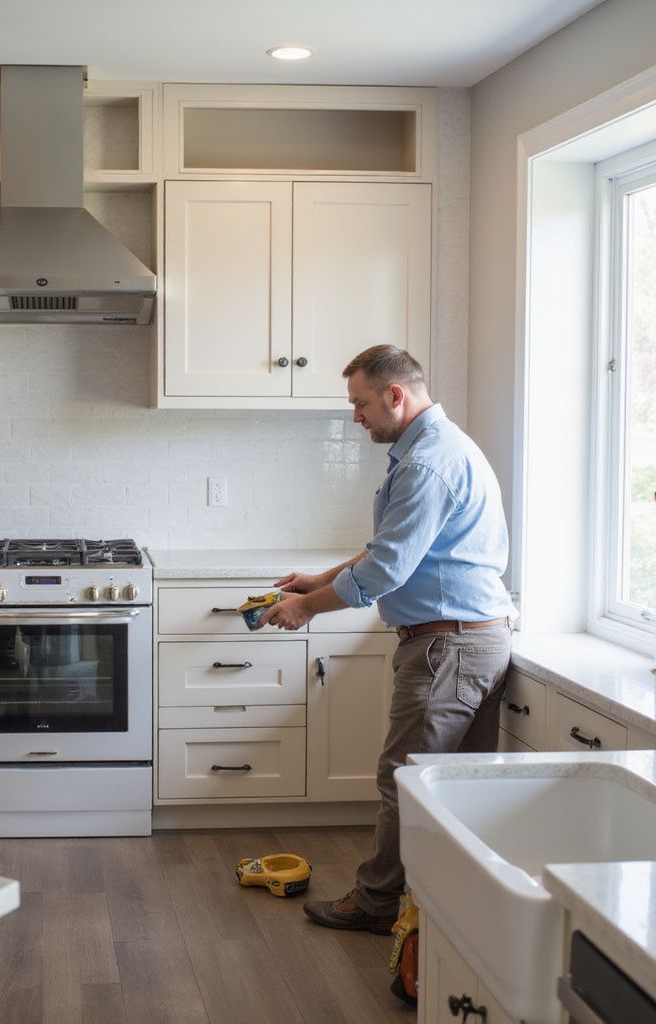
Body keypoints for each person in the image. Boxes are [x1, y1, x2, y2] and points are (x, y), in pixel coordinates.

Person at [260, 344, 515, 933]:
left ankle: (376, 905)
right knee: (452, 785)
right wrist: (319, 579)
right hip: (469, 638)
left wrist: (307, 609)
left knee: (406, 778)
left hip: (448, 646)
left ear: (395, 395)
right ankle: (443, 907)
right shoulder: (434, 449)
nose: (356, 418)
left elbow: (384, 571)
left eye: (361, 404)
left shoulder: (428, 461)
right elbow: (392, 548)